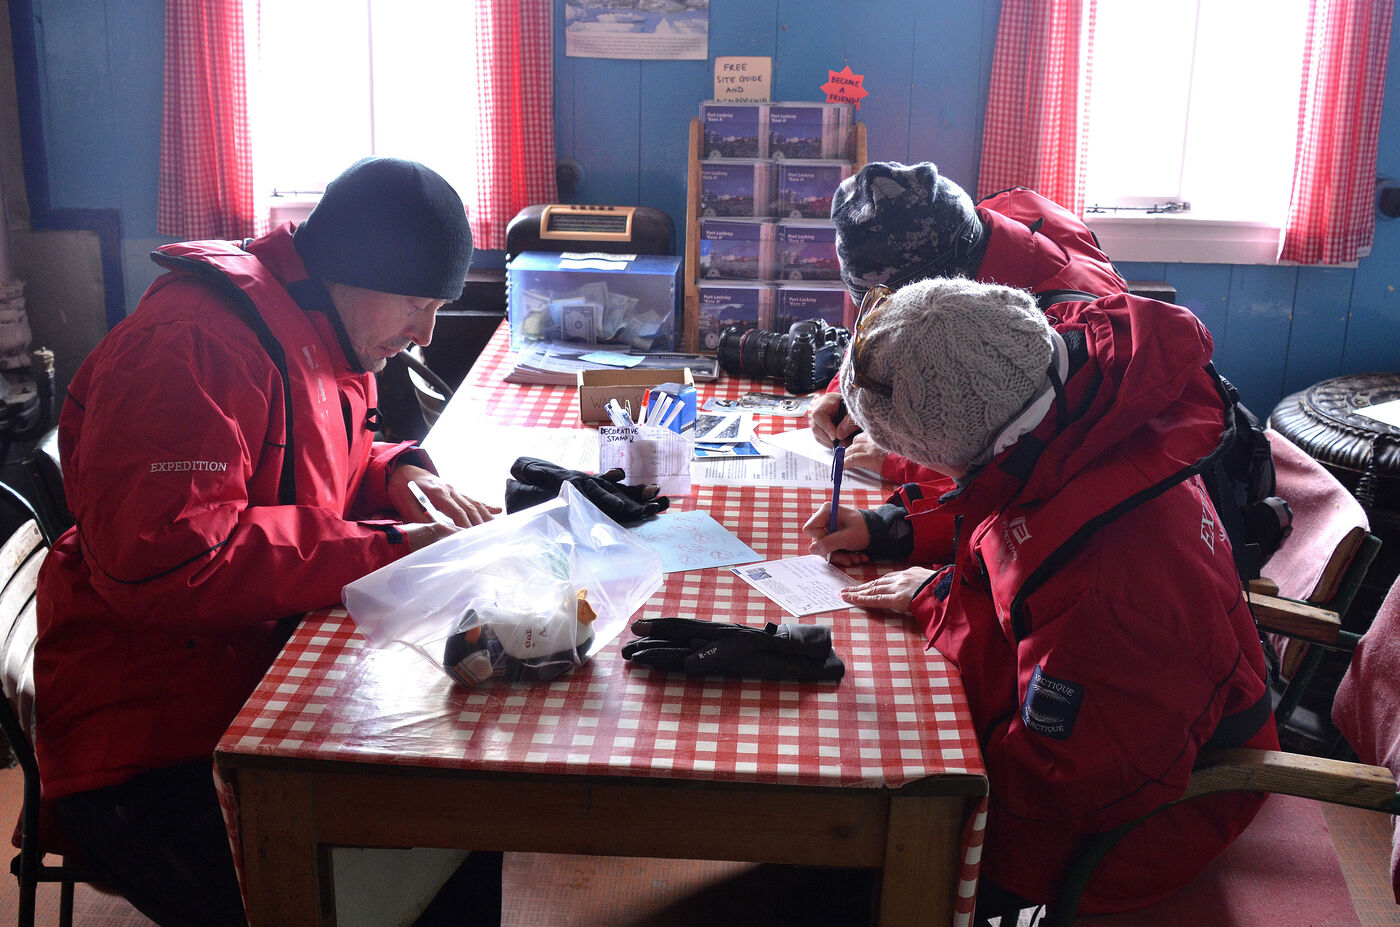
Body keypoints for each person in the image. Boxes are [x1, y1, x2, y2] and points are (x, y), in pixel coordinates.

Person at [34, 157, 502, 926]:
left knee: (463, 803)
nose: (425, 333)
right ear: (353, 270)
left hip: (238, 682)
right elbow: (173, 563)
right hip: (145, 746)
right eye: (418, 303)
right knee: (430, 830)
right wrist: (390, 547)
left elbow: (313, 470)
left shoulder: (316, 326)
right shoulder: (190, 349)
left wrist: (398, 475)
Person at [802, 276, 1278, 921]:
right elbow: (1011, 515)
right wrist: (909, 548)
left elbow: (1060, 787)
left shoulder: (1106, 592)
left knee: (843, 855)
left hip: (1129, 832)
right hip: (1120, 724)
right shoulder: (1078, 402)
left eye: (933, 465)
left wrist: (907, 799)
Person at [809, 160, 1125, 486]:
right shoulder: (964, 219)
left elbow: (1051, 453)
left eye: (892, 306)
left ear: (939, 291)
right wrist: (847, 393)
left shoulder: (1072, 331)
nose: (883, 319)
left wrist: (905, 459)